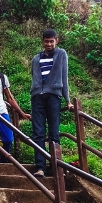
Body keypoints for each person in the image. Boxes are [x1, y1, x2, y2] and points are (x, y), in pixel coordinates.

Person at [30, 29, 73, 176]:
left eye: (51, 41)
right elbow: (35, 77)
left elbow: (64, 77)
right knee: (38, 133)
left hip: (54, 96)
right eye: (46, 41)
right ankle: (40, 167)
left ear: (56, 41)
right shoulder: (36, 58)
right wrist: (35, 92)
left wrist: (67, 100)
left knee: (54, 133)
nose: (49, 44)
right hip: (37, 97)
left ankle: (55, 167)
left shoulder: (61, 54)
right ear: (42, 41)